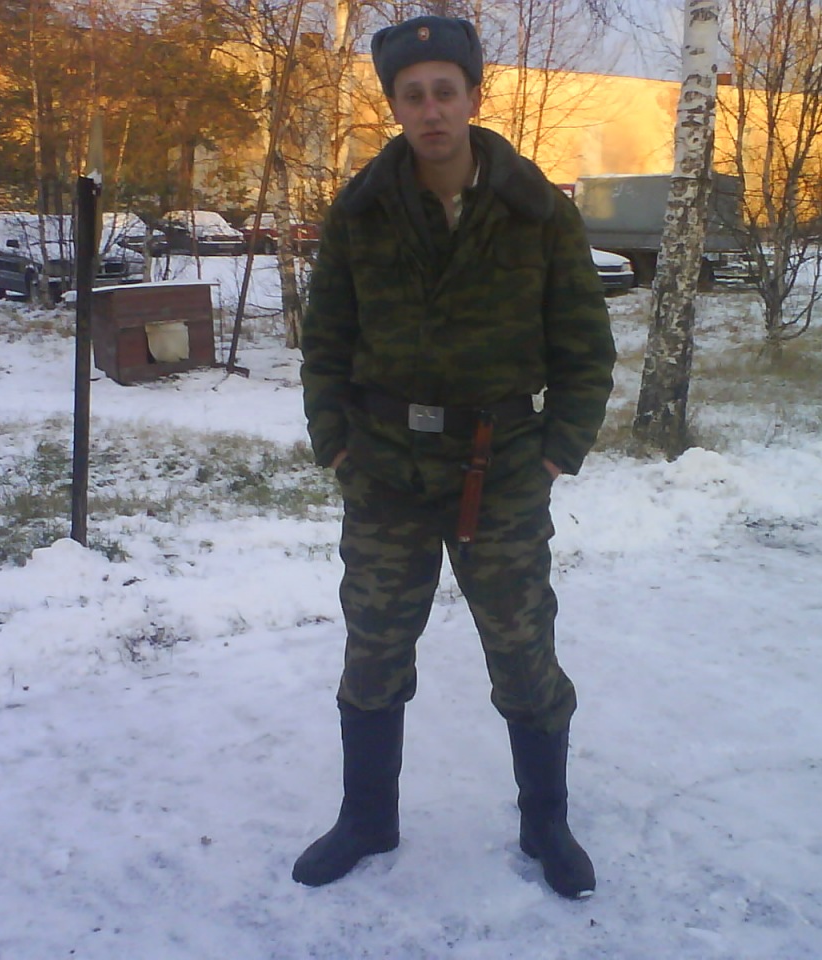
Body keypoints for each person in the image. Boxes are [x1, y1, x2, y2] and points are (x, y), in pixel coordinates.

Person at [295, 14, 616, 900]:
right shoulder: (361, 213)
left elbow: (585, 347)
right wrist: (336, 445)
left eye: (446, 91)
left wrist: (555, 452)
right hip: (386, 471)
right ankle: (367, 818)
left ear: (474, 96)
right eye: (413, 95)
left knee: (523, 651)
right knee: (373, 649)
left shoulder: (536, 212)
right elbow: (325, 343)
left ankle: (546, 823)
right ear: (394, 106)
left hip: (500, 470)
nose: (431, 109)